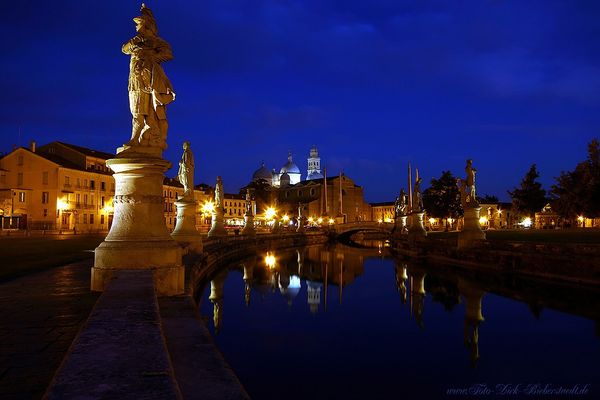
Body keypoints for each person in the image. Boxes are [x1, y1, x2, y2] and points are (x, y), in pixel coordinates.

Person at [123, 4, 175, 150]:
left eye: (138, 24)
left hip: (149, 80)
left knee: (147, 111)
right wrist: (135, 41)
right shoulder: (135, 42)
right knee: (136, 108)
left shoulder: (156, 42)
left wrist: (151, 56)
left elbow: (168, 54)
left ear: (147, 25)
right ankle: (138, 137)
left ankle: (138, 137)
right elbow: (124, 49)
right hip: (135, 80)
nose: (136, 27)